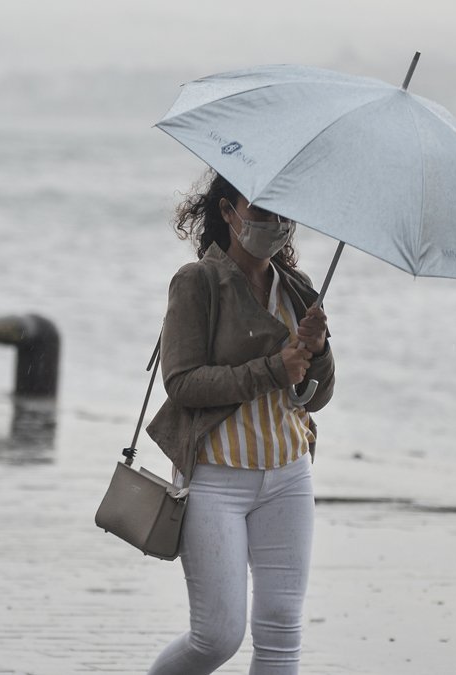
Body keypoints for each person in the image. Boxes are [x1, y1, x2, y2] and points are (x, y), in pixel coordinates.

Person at [145, 171, 335, 675]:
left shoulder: (298, 289)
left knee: (280, 633)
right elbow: (182, 383)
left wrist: (317, 351)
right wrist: (274, 368)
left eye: (283, 214)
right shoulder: (197, 282)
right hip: (215, 477)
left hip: (289, 475)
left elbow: (318, 397)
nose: (274, 224)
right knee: (217, 638)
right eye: (261, 211)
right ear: (229, 212)